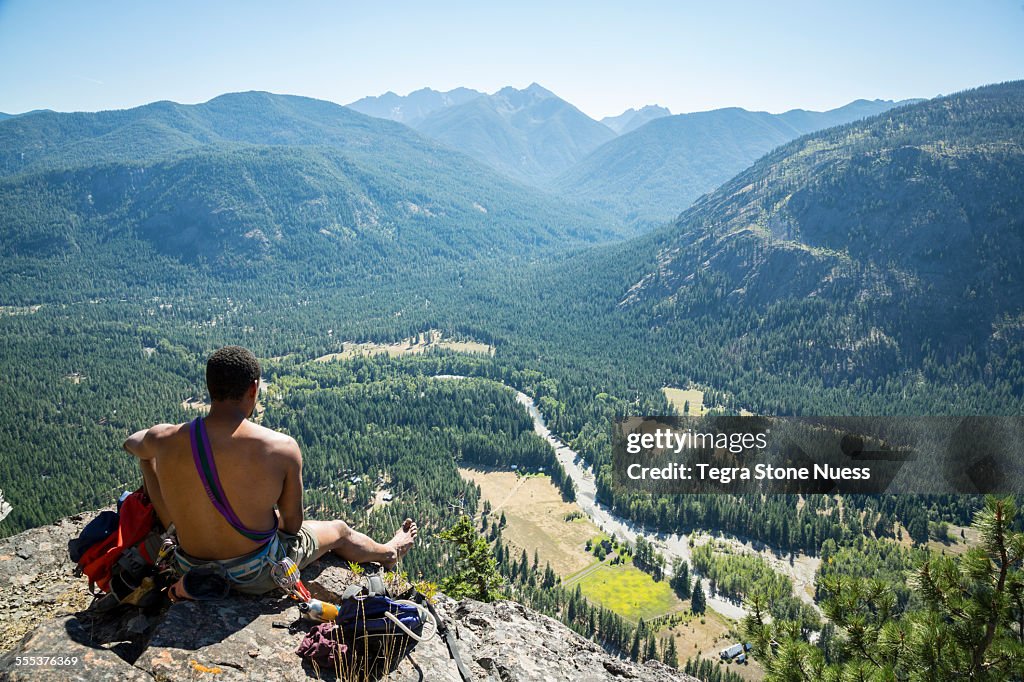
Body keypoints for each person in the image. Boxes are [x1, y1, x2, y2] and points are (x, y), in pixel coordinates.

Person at [122, 345, 417, 596]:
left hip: (187, 566)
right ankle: (388, 553)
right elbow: (292, 526)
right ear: (253, 389)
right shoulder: (280, 447)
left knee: (147, 460)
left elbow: (131, 443)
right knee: (338, 529)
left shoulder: (164, 438)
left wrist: (150, 458)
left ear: (210, 388)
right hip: (255, 574)